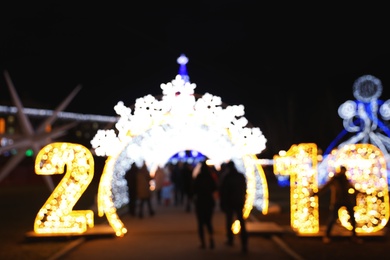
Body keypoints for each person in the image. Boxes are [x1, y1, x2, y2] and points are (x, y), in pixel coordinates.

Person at [312, 165, 363, 244]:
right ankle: (327, 235)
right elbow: (326, 186)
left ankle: (354, 236)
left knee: (352, 219)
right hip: (337, 201)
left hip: (346, 201)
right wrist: (317, 193)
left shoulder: (345, 179)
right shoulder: (335, 179)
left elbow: (352, 187)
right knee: (332, 219)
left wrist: (360, 193)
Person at [219, 160, 248, 253]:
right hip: (239, 202)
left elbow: (223, 191)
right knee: (241, 222)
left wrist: (223, 203)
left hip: (230, 203)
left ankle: (230, 239)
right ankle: (244, 243)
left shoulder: (226, 177)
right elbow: (244, 188)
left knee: (229, 220)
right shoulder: (240, 176)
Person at [192, 160, 218, 249]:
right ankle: (211, 240)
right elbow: (214, 188)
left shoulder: (198, 177)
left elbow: (194, 190)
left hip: (200, 202)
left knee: (200, 224)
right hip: (209, 202)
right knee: (209, 222)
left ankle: (203, 242)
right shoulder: (210, 177)